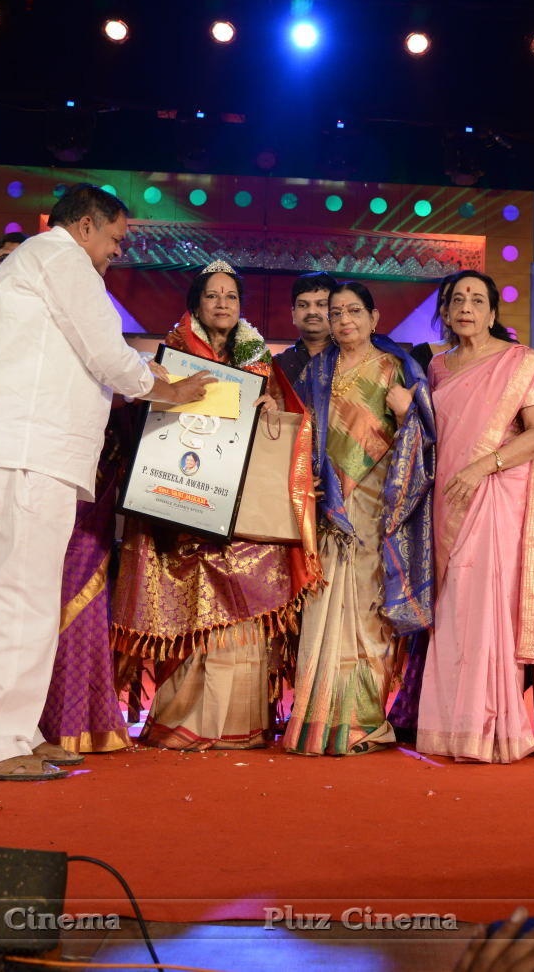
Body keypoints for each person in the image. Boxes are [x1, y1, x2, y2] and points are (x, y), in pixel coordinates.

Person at [0, 184, 208, 780]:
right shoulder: (62, 259)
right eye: (116, 238)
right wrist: (167, 388)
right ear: (86, 225)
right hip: (23, 446)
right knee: (20, 595)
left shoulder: (41, 262)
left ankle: (14, 729)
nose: (117, 251)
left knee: (31, 596)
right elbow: (106, 353)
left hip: (27, 446)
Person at [111, 260, 321, 751]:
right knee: (188, 612)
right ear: (196, 305)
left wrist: (271, 406)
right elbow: (141, 415)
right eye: (213, 296)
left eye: (231, 296)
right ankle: (184, 721)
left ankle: (238, 726)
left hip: (244, 508)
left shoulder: (258, 362)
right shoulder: (174, 356)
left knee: (246, 607)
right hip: (184, 511)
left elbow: (286, 421)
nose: (223, 303)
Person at [416, 270, 534, 763]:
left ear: (493, 313)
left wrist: (483, 466)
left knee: (482, 607)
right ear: (444, 310)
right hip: (447, 498)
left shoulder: (516, 363)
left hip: (493, 494)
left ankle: (491, 729)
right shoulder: (438, 368)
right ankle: (449, 729)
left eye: (477, 300)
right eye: (457, 299)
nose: (466, 308)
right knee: (454, 611)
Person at [285, 282, 435, 755]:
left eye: (354, 311)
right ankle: (316, 718)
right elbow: (302, 430)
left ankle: (363, 721)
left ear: (374, 318)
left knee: (367, 608)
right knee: (322, 605)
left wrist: (410, 411)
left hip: (374, 507)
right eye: (335, 312)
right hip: (324, 505)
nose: (343, 319)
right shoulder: (316, 370)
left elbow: (426, 437)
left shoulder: (395, 367)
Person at [37, 418, 134, 754]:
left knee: (85, 598)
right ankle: (51, 722)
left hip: (98, 465)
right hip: (55, 459)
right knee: (53, 596)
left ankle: (75, 721)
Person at [274, 271, 338, 394]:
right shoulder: (278, 366)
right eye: (303, 305)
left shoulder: (351, 358)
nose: (311, 311)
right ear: (293, 314)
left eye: (321, 304)